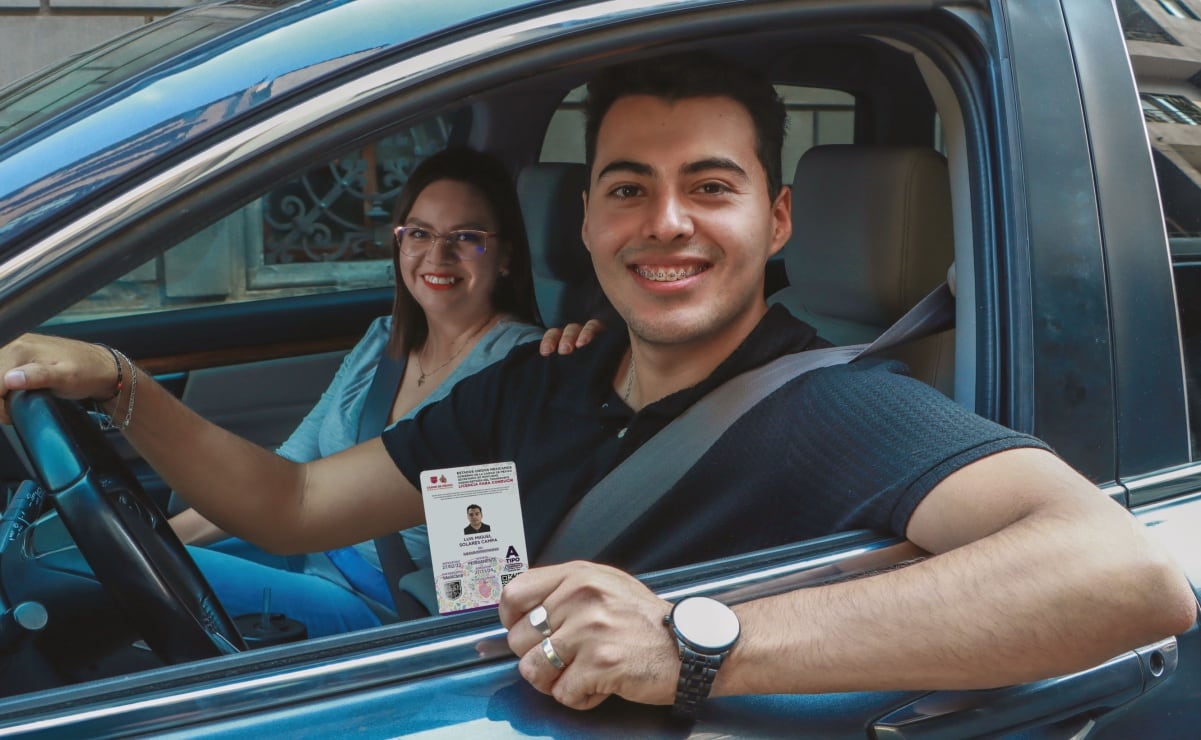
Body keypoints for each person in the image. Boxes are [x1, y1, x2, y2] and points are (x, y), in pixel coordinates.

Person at [0, 51, 1193, 716]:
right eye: (628, 186)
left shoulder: (831, 407)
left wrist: (693, 641)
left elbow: (1124, 574)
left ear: (776, 219)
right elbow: (299, 507)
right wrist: (123, 386)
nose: (665, 222)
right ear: (586, 216)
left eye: (710, 186)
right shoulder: (537, 382)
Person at [168, 147, 600, 636]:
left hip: (382, 609)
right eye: (418, 233)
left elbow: (481, 577)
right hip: (308, 552)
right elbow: (290, 466)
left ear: (506, 258)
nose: (437, 255)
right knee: (138, 560)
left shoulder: (523, 366)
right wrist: (165, 536)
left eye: (466, 237)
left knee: (120, 579)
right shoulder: (383, 341)